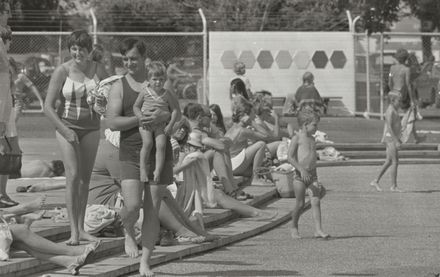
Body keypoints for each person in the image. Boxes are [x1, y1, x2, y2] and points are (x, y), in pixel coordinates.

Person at [105, 37, 178, 277]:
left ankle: (145, 262)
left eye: (134, 58)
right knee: (133, 205)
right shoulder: (119, 86)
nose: (129, 63)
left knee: (152, 208)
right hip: (131, 153)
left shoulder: (157, 83)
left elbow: (175, 112)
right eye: (125, 59)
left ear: (144, 59)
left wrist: (166, 120)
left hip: (158, 153)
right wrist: (140, 119)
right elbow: (112, 122)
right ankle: (127, 229)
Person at [44, 29, 108, 246]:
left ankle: (81, 229)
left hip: (91, 128)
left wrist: (104, 104)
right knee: (72, 176)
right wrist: (64, 130)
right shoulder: (62, 70)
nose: (77, 53)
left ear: (89, 50)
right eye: (73, 48)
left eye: (81, 49)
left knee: (84, 179)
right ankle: (73, 232)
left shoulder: (99, 69)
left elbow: (112, 95)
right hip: (67, 127)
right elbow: (48, 107)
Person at [185, 103, 246, 200]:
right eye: (209, 116)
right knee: (216, 152)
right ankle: (230, 190)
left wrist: (213, 132)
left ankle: (232, 188)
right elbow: (222, 145)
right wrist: (216, 140)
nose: (212, 118)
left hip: (193, 168)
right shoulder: (195, 131)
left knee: (220, 151)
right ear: (200, 117)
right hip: (188, 172)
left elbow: (227, 143)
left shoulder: (203, 129)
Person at [133, 61, 181, 183]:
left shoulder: (166, 93)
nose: (158, 82)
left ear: (165, 79)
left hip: (161, 124)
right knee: (148, 143)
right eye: (155, 79)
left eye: (161, 79)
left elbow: (175, 110)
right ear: (148, 79)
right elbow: (136, 107)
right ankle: (143, 169)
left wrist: (170, 125)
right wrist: (140, 117)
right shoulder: (144, 92)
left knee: (161, 146)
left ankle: (158, 171)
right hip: (146, 123)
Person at [287, 109, 329, 239]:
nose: (317, 128)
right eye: (314, 125)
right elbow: (290, 158)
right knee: (299, 204)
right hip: (299, 177)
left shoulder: (312, 139)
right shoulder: (297, 138)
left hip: (312, 176)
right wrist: (301, 170)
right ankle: (294, 226)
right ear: (305, 124)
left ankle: (318, 230)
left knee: (316, 201)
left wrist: (315, 176)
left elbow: (312, 159)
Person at [225, 100, 273, 187]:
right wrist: (251, 122)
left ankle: (255, 176)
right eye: (253, 113)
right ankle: (255, 178)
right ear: (247, 115)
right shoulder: (243, 130)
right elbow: (267, 136)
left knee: (264, 171)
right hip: (234, 164)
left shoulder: (234, 127)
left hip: (230, 165)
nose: (255, 115)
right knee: (261, 144)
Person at [0, 1, 20, 208]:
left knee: (9, 149)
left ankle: (3, 194)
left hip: (6, 105)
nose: (10, 15)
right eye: (6, 11)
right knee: (4, 148)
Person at [370, 91, 403, 193]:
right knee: (395, 161)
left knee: (389, 161)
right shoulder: (390, 111)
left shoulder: (394, 110)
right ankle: (393, 186)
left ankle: (375, 181)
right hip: (390, 138)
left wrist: (398, 137)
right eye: (399, 100)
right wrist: (395, 140)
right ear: (393, 100)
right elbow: (389, 127)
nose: (400, 103)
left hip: (392, 137)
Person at [400, 50, 425, 144]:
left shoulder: (407, 69)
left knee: (411, 117)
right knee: (410, 117)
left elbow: (418, 73)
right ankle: (403, 138)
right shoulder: (408, 70)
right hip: (407, 96)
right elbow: (409, 85)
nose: (416, 62)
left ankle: (416, 137)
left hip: (406, 95)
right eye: (414, 60)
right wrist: (412, 100)